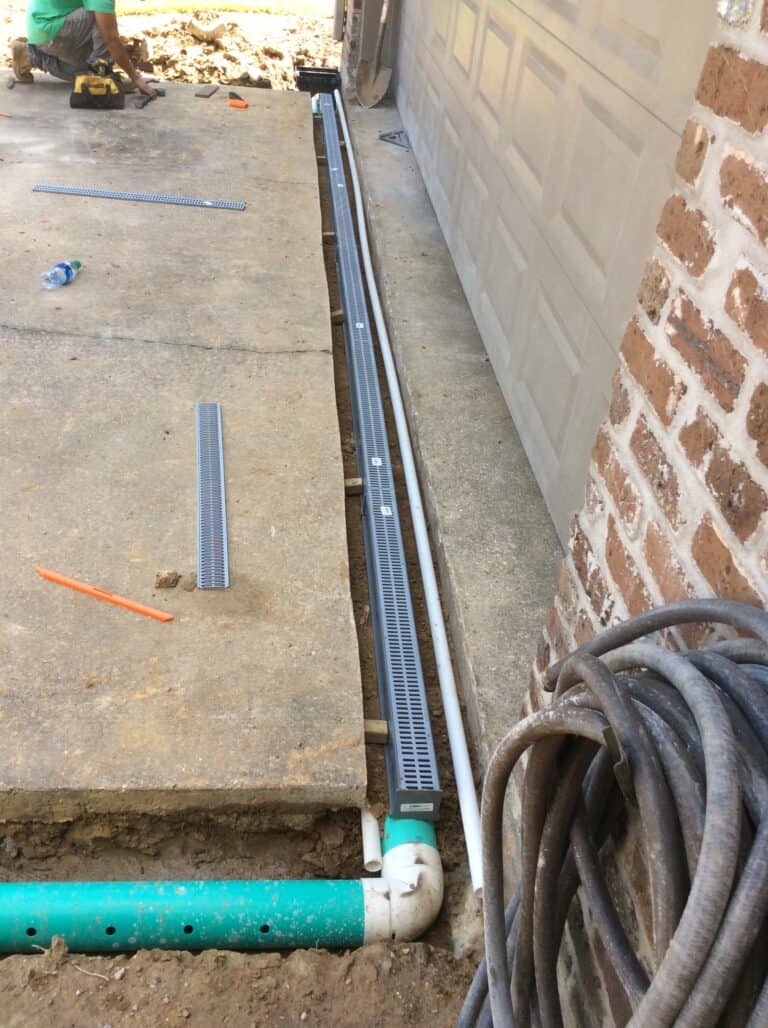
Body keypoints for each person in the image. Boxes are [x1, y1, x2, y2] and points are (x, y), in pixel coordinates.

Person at [11, 0, 156, 97]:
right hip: (48, 25)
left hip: (43, 26)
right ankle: (100, 75)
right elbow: (110, 38)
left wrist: (121, 51)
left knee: (83, 74)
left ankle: (31, 56)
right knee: (100, 19)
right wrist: (135, 77)